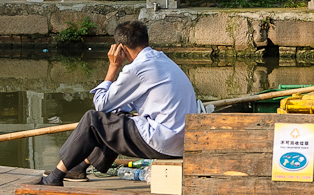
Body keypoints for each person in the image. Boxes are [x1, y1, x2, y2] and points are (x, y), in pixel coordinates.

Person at [36, 20, 203, 186]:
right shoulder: (162, 59)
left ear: (121, 48)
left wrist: (113, 67)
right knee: (114, 117)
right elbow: (116, 107)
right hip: (181, 141)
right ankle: (78, 167)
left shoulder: (137, 68)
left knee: (92, 119)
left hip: (165, 142)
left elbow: (101, 104)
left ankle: (56, 176)